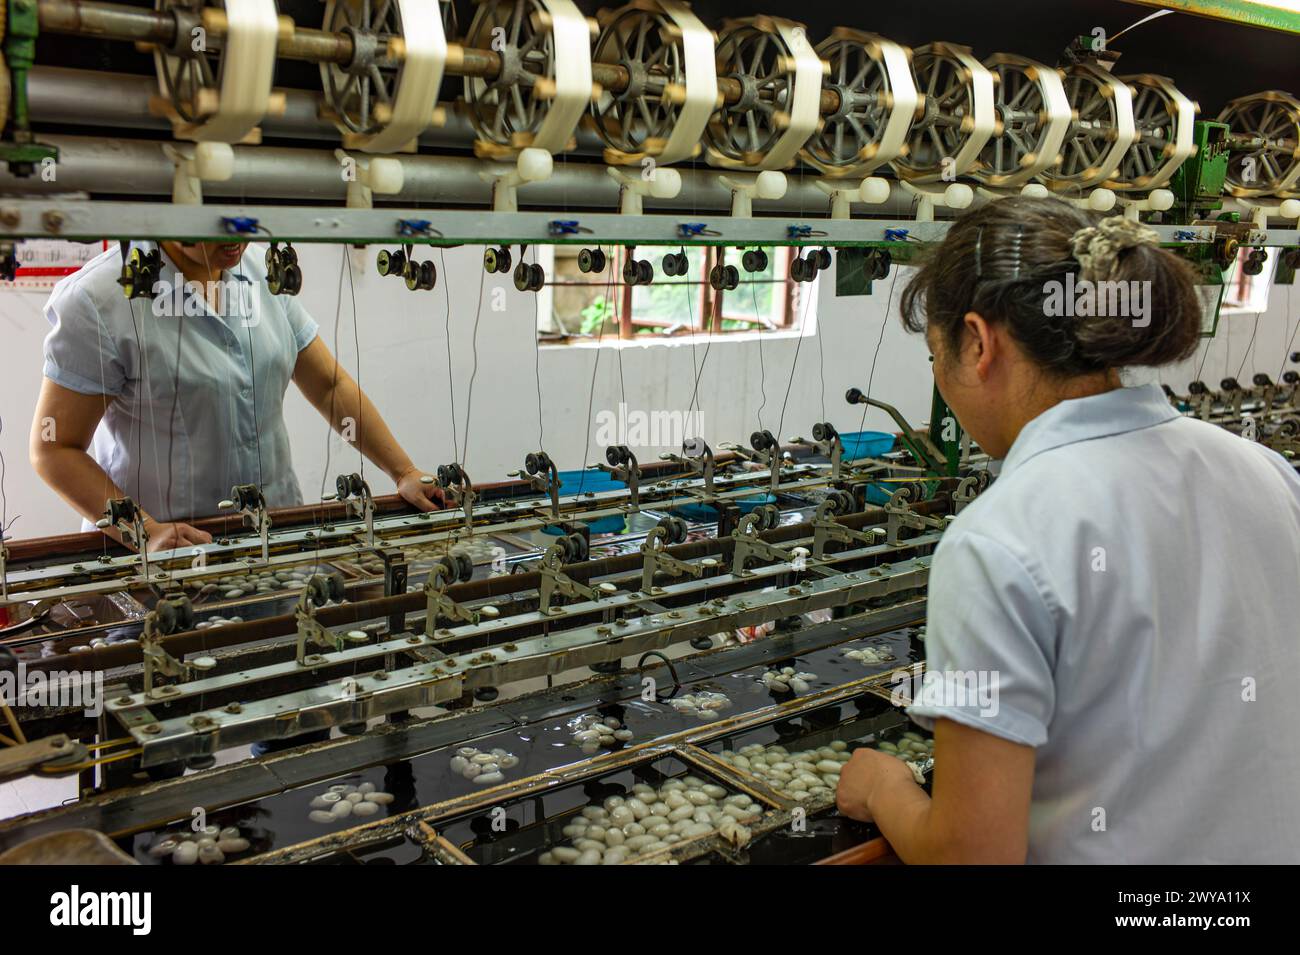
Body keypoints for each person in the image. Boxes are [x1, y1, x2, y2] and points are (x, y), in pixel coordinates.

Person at [835, 196, 1300, 863]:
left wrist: (886, 788)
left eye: (937, 356)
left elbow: (971, 856)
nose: (940, 377)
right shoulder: (1267, 472)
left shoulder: (995, 543)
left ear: (977, 341)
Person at [29, 240, 444, 550]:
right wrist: (146, 531)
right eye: (215, 223)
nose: (235, 240)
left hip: (272, 538)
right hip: (161, 555)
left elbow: (328, 384)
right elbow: (54, 448)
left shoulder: (260, 273)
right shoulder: (98, 299)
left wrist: (403, 472)